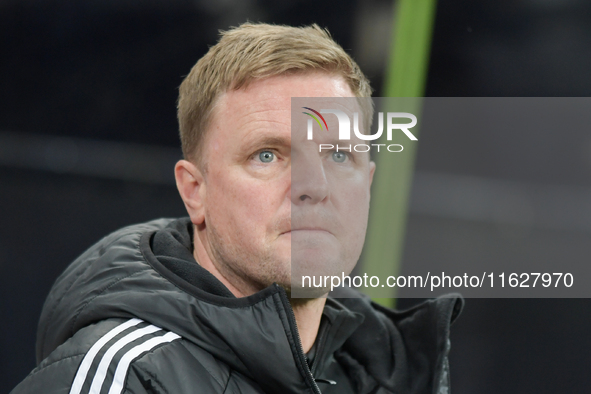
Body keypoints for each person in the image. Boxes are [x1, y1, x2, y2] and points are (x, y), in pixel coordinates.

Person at [11, 23, 462, 394]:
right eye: (267, 155)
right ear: (195, 191)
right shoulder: (124, 380)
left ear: (367, 185)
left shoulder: (385, 375)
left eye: (339, 155)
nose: (313, 188)